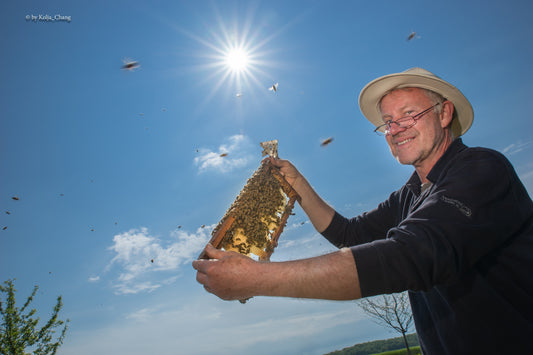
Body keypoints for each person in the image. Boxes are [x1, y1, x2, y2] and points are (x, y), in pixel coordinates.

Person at [192, 68, 533, 353]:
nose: (395, 129)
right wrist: (297, 185)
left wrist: (257, 279)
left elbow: (412, 256)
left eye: (409, 114)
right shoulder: (408, 197)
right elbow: (349, 235)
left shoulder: (482, 169)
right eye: (388, 122)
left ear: (445, 114)